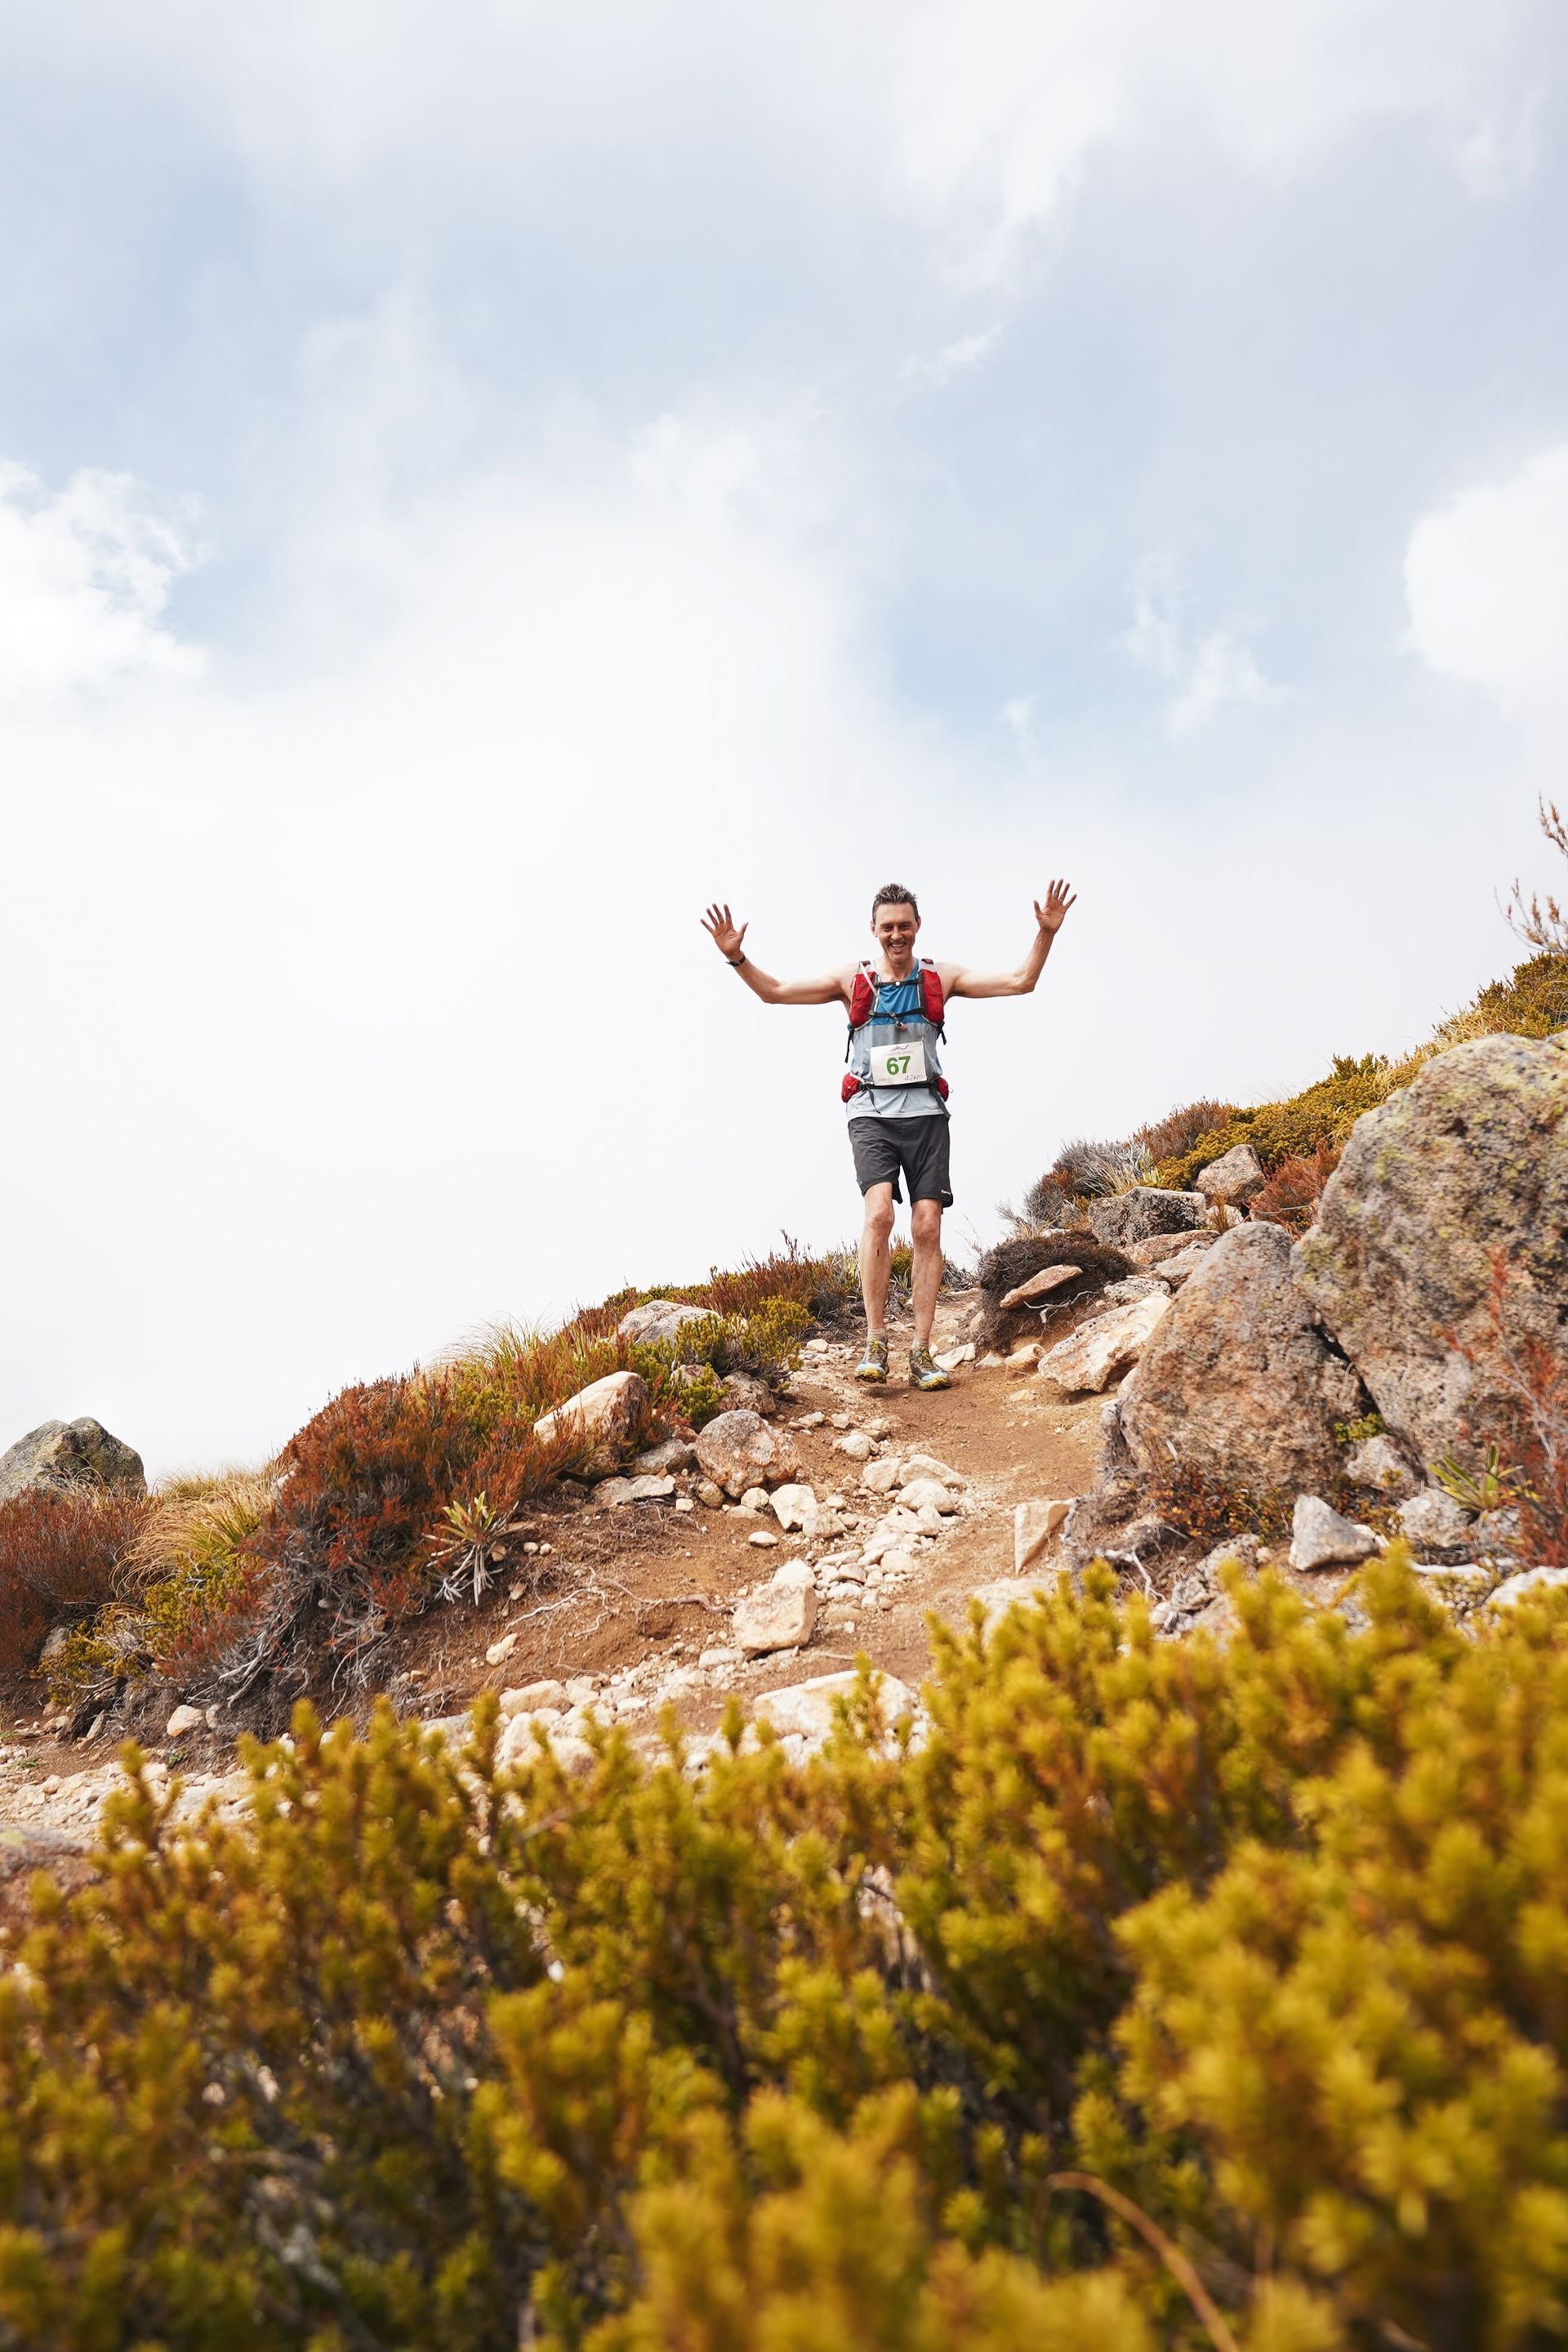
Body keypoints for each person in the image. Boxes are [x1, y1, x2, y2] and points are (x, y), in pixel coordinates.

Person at [701, 880, 1076, 1389]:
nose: (896, 935)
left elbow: (1020, 980)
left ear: (917, 927)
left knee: (927, 1227)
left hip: (926, 1115)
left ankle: (921, 1351)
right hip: (871, 1113)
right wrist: (738, 958)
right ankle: (876, 1340)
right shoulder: (850, 979)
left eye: (904, 926)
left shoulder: (940, 977)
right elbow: (776, 993)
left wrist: (1045, 934)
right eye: (887, 928)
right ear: (873, 931)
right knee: (879, 1213)